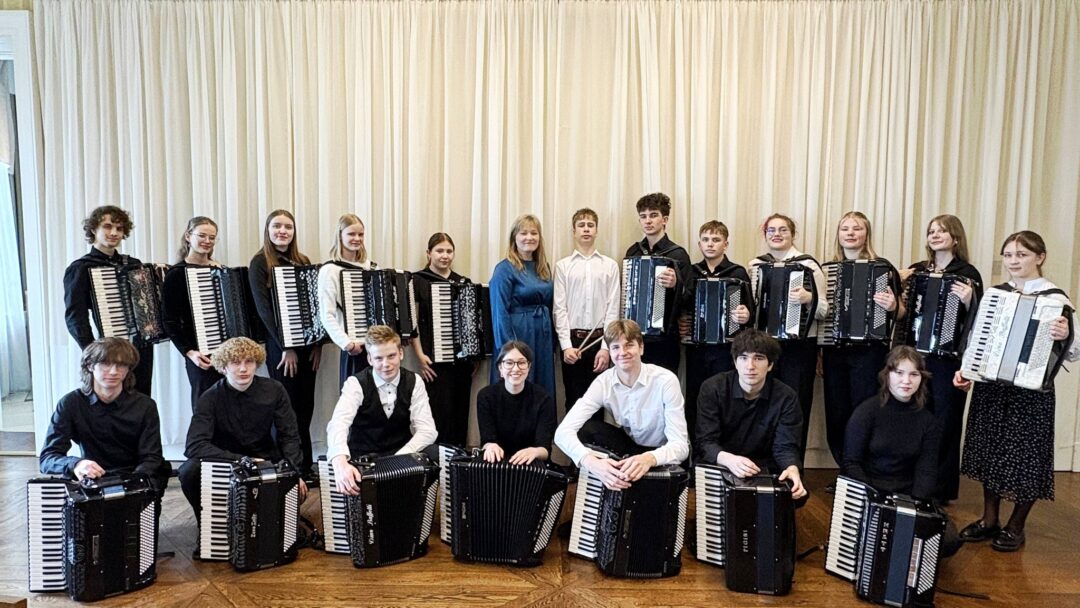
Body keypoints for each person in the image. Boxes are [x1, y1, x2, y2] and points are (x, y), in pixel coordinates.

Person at [954, 231, 1079, 552]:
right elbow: (977, 337)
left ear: (1040, 257)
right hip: (991, 386)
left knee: (1028, 456)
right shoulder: (996, 294)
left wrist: (1066, 334)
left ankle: (1016, 526)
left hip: (1031, 392)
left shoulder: (1057, 300)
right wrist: (966, 370)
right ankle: (989, 519)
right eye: (1008, 255)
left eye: (1021, 255)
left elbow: (1074, 352)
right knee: (990, 450)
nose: (1013, 261)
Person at [178, 337, 308, 535]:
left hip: (264, 458)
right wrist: (241, 460)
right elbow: (194, 446)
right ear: (223, 367)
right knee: (189, 471)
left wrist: (294, 473)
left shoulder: (274, 389)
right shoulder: (210, 397)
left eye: (249, 362)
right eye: (235, 363)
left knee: (281, 530)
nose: (243, 369)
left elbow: (289, 435)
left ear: (257, 364)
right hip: (225, 460)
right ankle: (206, 527)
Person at [843, 346, 960, 559]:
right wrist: (876, 499)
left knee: (949, 540)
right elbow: (851, 463)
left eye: (914, 374)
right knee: (874, 535)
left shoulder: (928, 421)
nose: (906, 381)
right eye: (899, 373)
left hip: (907, 494)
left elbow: (926, 470)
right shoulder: (866, 412)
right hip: (871, 490)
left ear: (921, 379)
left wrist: (914, 507)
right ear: (887, 374)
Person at [898, 214, 982, 502]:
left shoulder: (967, 273)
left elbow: (980, 321)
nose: (934, 235)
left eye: (941, 231)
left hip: (947, 358)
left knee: (945, 420)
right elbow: (903, 310)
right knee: (914, 416)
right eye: (931, 231)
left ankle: (940, 489)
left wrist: (970, 300)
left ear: (955, 238)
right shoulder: (919, 270)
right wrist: (899, 280)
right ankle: (910, 480)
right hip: (916, 356)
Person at [554, 320, 689, 491]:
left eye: (629, 345)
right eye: (616, 347)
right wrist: (590, 462)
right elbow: (562, 433)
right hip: (630, 447)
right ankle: (603, 482)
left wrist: (649, 459)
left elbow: (680, 446)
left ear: (641, 348)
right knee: (588, 430)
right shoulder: (603, 382)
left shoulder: (666, 380)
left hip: (662, 452)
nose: (622, 353)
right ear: (610, 352)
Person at [820, 212, 900, 468]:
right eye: (845, 229)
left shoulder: (883, 268)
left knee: (865, 409)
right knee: (836, 411)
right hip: (835, 350)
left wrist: (893, 306)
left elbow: (901, 313)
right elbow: (821, 314)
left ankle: (864, 469)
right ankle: (845, 469)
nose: (851, 233)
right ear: (838, 235)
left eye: (857, 228)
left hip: (870, 351)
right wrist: (820, 351)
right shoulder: (828, 270)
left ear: (867, 234)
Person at [39, 338, 170, 493]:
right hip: (93, 479)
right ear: (90, 366)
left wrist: (132, 485)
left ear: (128, 369)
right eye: (106, 364)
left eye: (121, 365)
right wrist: (76, 464)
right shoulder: (71, 403)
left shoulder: (145, 405)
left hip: (133, 480)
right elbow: (48, 458)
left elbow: (151, 457)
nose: (114, 371)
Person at [249, 209, 321, 481]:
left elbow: (314, 307)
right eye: (277, 226)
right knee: (285, 407)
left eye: (288, 227)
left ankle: (305, 465)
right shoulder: (259, 262)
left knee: (306, 407)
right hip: (281, 348)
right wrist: (286, 346)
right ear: (268, 230)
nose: (282, 231)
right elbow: (263, 310)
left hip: (307, 348)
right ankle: (288, 467)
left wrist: (317, 345)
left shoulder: (303, 261)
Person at [747, 213, 827, 460]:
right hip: (764, 346)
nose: (777, 234)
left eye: (783, 230)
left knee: (796, 404)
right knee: (763, 403)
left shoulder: (809, 265)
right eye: (771, 230)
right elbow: (751, 307)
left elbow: (824, 310)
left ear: (793, 234)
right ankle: (765, 463)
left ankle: (792, 463)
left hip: (798, 348)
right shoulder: (755, 266)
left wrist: (809, 299)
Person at [326, 325, 439, 496]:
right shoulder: (355, 384)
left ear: (401, 353)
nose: (386, 364)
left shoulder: (414, 382)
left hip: (402, 453)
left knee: (435, 453)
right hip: (364, 458)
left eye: (391, 356)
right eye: (378, 358)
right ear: (370, 359)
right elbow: (338, 424)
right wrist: (340, 461)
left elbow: (428, 430)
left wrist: (398, 459)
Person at [695, 329, 807, 500]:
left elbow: (785, 446)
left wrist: (792, 468)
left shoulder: (786, 396)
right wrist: (730, 460)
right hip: (723, 462)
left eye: (759, 358)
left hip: (762, 467)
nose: (750, 366)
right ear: (735, 362)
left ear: (770, 365)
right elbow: (705, 441)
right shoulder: (713, 388)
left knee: (797, 495)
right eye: (743, 358)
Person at [63, 205, 155, 396]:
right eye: (107, 226)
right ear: (93, 229)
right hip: (107, 351)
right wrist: (94, 352)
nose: (114, 233)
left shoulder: (134, 264)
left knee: (141, 397)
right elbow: (75, 317)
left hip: (141, 348)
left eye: (119, 229)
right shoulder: (81, 268)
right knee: (111, 399)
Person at [680, 220, 752, 440]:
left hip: (725, 349)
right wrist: (682, 320)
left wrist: (745, 315)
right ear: (699, 244)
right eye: (705, 240)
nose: (710, 244)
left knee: (724, 396)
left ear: (725, 244)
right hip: (696, 348)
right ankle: (696, 449)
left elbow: (750, 311)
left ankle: (722, 447)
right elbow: (682, 304)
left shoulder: (737, 273)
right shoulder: (692, 272)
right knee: (695, 397)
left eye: (716, 239)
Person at [411, 233, 478, 447]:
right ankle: (436, 458)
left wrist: (474, 355)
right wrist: (420, 356)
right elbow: (412, 323)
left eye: (449, 251)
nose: (445, 255)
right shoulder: (418, 280)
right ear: (429, 253)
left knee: (460, 412)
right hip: (433, 360)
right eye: (439, 251)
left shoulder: (463, 282)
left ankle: (457, 457)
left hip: (461, 362)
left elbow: (472, 323)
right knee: (438, 413)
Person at [553, 209, 620, 422]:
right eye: (581, 225)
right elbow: (559, 309)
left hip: (600, 340)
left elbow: (613, 309)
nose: (586, 229)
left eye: (590, 225)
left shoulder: (610, 265)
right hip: (573, 342)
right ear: (574, 231)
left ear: (596, 230)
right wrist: (566, 346)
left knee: (598, 401)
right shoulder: (563, 266)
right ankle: (574, 445)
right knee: (573, 400)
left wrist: (606, 348)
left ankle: (596, 444)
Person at [161, 216, 225, 412]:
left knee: (228, 406)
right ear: (188, 236)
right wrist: (190, 352)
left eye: (212, 237)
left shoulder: (221, 271)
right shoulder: (176, 274)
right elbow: (169, 320)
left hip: (225, 351)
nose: (207, 241)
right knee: (204, 407)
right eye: (202, 236)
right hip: (199, 353)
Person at [624, 193, 692, 374]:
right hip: (636, 335)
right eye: (643, 216)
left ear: (665, 219)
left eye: (653, 215)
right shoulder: (633, 252)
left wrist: (676, 285)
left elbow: (690, 297)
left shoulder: (678, 254)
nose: (648, 221)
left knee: (664, 384)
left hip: (666, 338)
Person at [489, 214, 556, 394]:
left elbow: (550, 305)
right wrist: (508, 351)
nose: (529, 237)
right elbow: (499, 313)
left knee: (541, 389)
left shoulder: (543, 267)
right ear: (514, 238)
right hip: (518, 335)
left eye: (534, 233)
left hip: (542, 337)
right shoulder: (504, 269)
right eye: (523, 233)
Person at [476, 341, 557, 464]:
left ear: (529, 367)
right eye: (509, 363)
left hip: (531, 463)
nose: (515, 368)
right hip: (497, 462)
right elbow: (487, 440)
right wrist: (490, 446)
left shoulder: (543, 399)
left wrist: (535, 451)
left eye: (521, 363)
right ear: (500, 368)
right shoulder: (486, 396)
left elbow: (545, 449)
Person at [318, 213, 376, 385]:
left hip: (376, 347)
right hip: (354, 346)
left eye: (360, 234)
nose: (357, 239)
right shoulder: (330, 270)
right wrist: (347, 343)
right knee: (354, 395)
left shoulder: (371, 268)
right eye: (351, 234)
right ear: (340, 235)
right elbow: (327, 314)